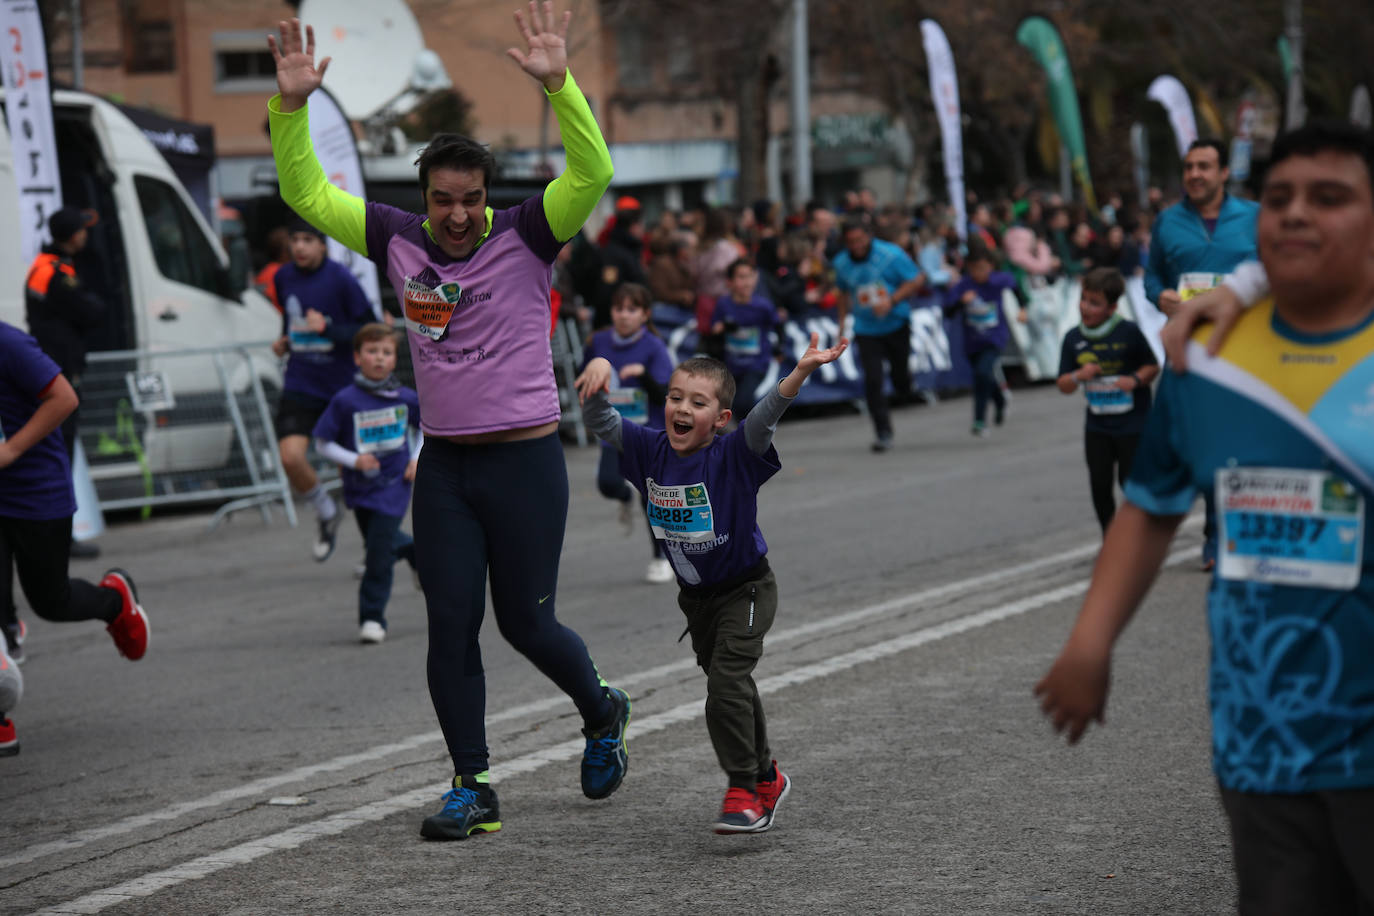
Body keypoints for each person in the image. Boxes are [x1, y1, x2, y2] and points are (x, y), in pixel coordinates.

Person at [267, 4, 631, 840]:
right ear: (424, 196)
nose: (457, 215)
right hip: (447, 470)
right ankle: (473, 785)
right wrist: (289, 110)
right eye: (443, 201)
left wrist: (559, 83)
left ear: (486, 197)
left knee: (526, 622)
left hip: (526, 462)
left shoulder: (531, 232)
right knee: (450, 622)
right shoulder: (395, 237)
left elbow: (594, 168)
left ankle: (603, 709)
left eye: (470, 200)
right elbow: (306, 192)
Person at [1034, 121, 1374, 915]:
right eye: (1281, 197)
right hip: (1261, 739)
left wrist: (1248, 282)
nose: (1295, 214)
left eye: (1330, 198)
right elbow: (1151, 507)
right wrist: (1091, 640)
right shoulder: (1208, 358)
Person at [574, 332, 849, 833]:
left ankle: (744, 790)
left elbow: (765, 415)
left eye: (697, 403)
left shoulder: (734, 453)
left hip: (746, 589)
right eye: (675, 398)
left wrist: (801, 372)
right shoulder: (648, 449)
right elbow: (601, 422)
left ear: (720, 419)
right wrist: (596, 377)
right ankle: (767, 775)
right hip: (696, 601)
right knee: (732, 686)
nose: (681, 408)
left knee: (725, 685)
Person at [0, 320, 151, 756]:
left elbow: (63, 397)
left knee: (51, 601)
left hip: (35, 493)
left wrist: (10, 450)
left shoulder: (9, 344)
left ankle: (115, 602)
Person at [1143, 138, 1260, 572]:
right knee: (1205, 443)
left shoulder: (1255, 217)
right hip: (1192, 347)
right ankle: (1215, 532)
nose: (1195, 174)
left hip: (1249, 346)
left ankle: (1241, 528)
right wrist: (1163, 298)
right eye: (1189, 167)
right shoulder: (1167, 223)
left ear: (1224, 173)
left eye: (1205, 166)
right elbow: (1152, 275)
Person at [270, 220, 378, 563]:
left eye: (307, 240)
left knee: (356, 476)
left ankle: (371, 551)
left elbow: (369, 328)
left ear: (322, 245)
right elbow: (292, 321)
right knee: (290, 457)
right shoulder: (283, 277)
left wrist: (329, 328)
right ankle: (326, 511)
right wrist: (285, 341)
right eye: (294, 240)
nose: (299, 247)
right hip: (300, 382)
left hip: (340, 388)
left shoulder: (341, 279)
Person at [311, 324, 422, 644]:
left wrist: (416, 458)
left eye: (386, 353)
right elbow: (322, 443)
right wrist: (354, 461)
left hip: (396, 484)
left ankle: (372, 616)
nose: (379, 358)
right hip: (360, 488)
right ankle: (415, 553)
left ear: (394, 358)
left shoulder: (405, 397)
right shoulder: (346, 400)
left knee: (377, 553)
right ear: (357, 357)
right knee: (381, 542)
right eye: (372, 352)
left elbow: (427, 427)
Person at [24, 206, 106, 561]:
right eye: (82, 230)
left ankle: (54, 535)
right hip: (58, 378)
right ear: (72, 235)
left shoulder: (45, 267)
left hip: (50, 373)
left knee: (55, 455)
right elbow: (92, 311)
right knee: (59, 456)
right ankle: (59, 537)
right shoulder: (56, 273)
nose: (86, 235)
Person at [580, 283, 675, 584]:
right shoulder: (599, 341)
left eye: (631, 310)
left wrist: (643, 376)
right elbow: (586, 377)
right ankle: (624, 495)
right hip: (614, 429)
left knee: (652, 499)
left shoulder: (654, 347)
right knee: (607, 484)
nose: (623, 315)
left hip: (648, 434)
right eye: (618, 309)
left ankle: (661, 557)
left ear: (645, 314)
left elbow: (666, 395)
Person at [1054, 268, 1159, 533]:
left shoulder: (1128, 332)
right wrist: (1079, 375)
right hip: (1098, 426)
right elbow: (1063, 385)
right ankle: (1110, 538)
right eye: (1084, 299)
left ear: (1112, 308)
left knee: (1130, 483)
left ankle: (1142, 533)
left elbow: (1152, 366)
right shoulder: (1074, 338)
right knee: (1100, 485)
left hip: (1133, 424)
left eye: (1095, 303)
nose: (1086, 308)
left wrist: (1134, 380)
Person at [831, 219, 926, 452]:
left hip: (895, 323)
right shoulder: (841, 262)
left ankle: (905, 386)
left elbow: (916, 279)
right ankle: (883, 432)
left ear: (869, 236)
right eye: (851, 242)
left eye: (860, 240)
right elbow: (842, 293)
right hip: (866, 329)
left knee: (899, 377)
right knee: (873, 381)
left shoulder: (891, 254)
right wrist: (842, 325)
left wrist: (892, 300)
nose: (856, 246)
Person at [943, 245, 1016, 437]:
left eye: (983, 268)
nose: (979, 273)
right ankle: (1000, 400)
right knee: (982, 374)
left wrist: (1024, 308)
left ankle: (979, 420)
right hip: (972, 340)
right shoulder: (963, 286)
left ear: (990, 266)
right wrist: (961, 302)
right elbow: (947, 311)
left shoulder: (998, 280)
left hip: (994, 337)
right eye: (974, 269)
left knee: (982, 373)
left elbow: (1016, 286)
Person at [710, 258, 779, 420]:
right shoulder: (724, 304)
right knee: (728, 404)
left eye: (750, 276)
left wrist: (779, 347)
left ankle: (751, 437)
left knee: (744, 402)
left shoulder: (763, 306)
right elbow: (715, 328)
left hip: (756, 364)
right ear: (730, 282)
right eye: (741, 277)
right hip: (731, 364)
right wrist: (724, 327)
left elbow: (777, 326)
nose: (747, 282)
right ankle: (743, 437)